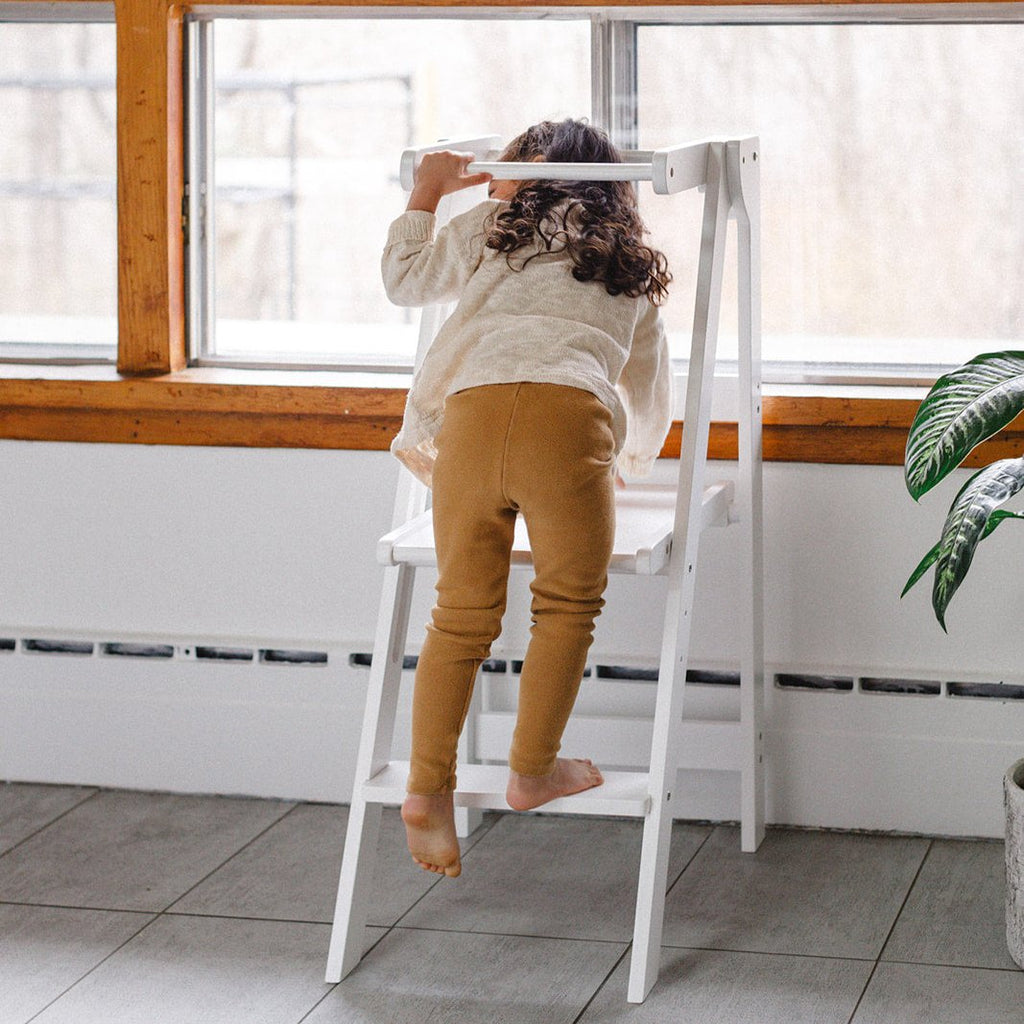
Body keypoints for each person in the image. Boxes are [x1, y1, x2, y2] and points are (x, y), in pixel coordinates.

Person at [381, 118, 673, 877]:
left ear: (543, 170)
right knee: (568, 604)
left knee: (461, 613)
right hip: (567, 421)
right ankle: (531, 769)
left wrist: (428, 190)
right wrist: (631, 458)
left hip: (472, 421)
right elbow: (648, 389)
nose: (490, 172)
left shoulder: (494, 228)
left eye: (506, 160)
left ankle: (426, 788)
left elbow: (404, 280)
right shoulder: (629, 265)